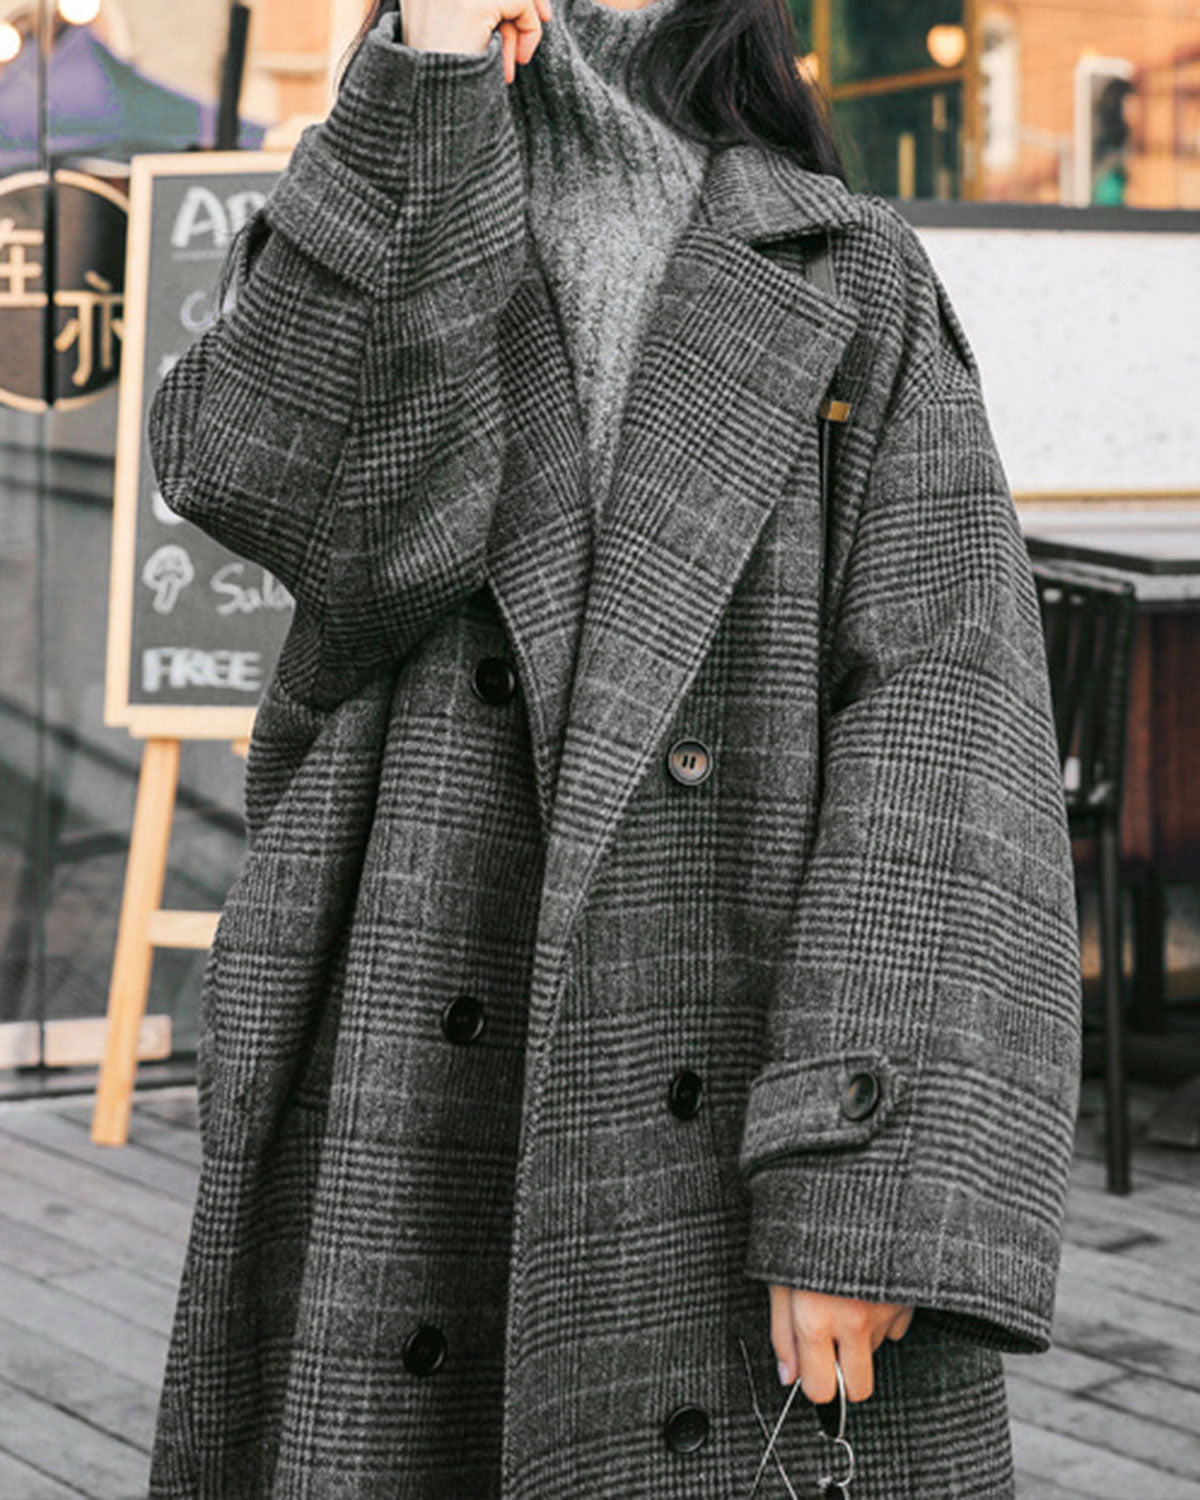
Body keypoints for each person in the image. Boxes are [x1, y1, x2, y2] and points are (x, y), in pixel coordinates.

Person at [146, 0, 1082, 1494]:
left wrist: (858, 1181)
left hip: (741, 1099)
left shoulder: (845, 266)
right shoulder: (391, 174)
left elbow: (946, 724)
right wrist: (429, 83)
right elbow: (301, 508)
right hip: (404, 1068)